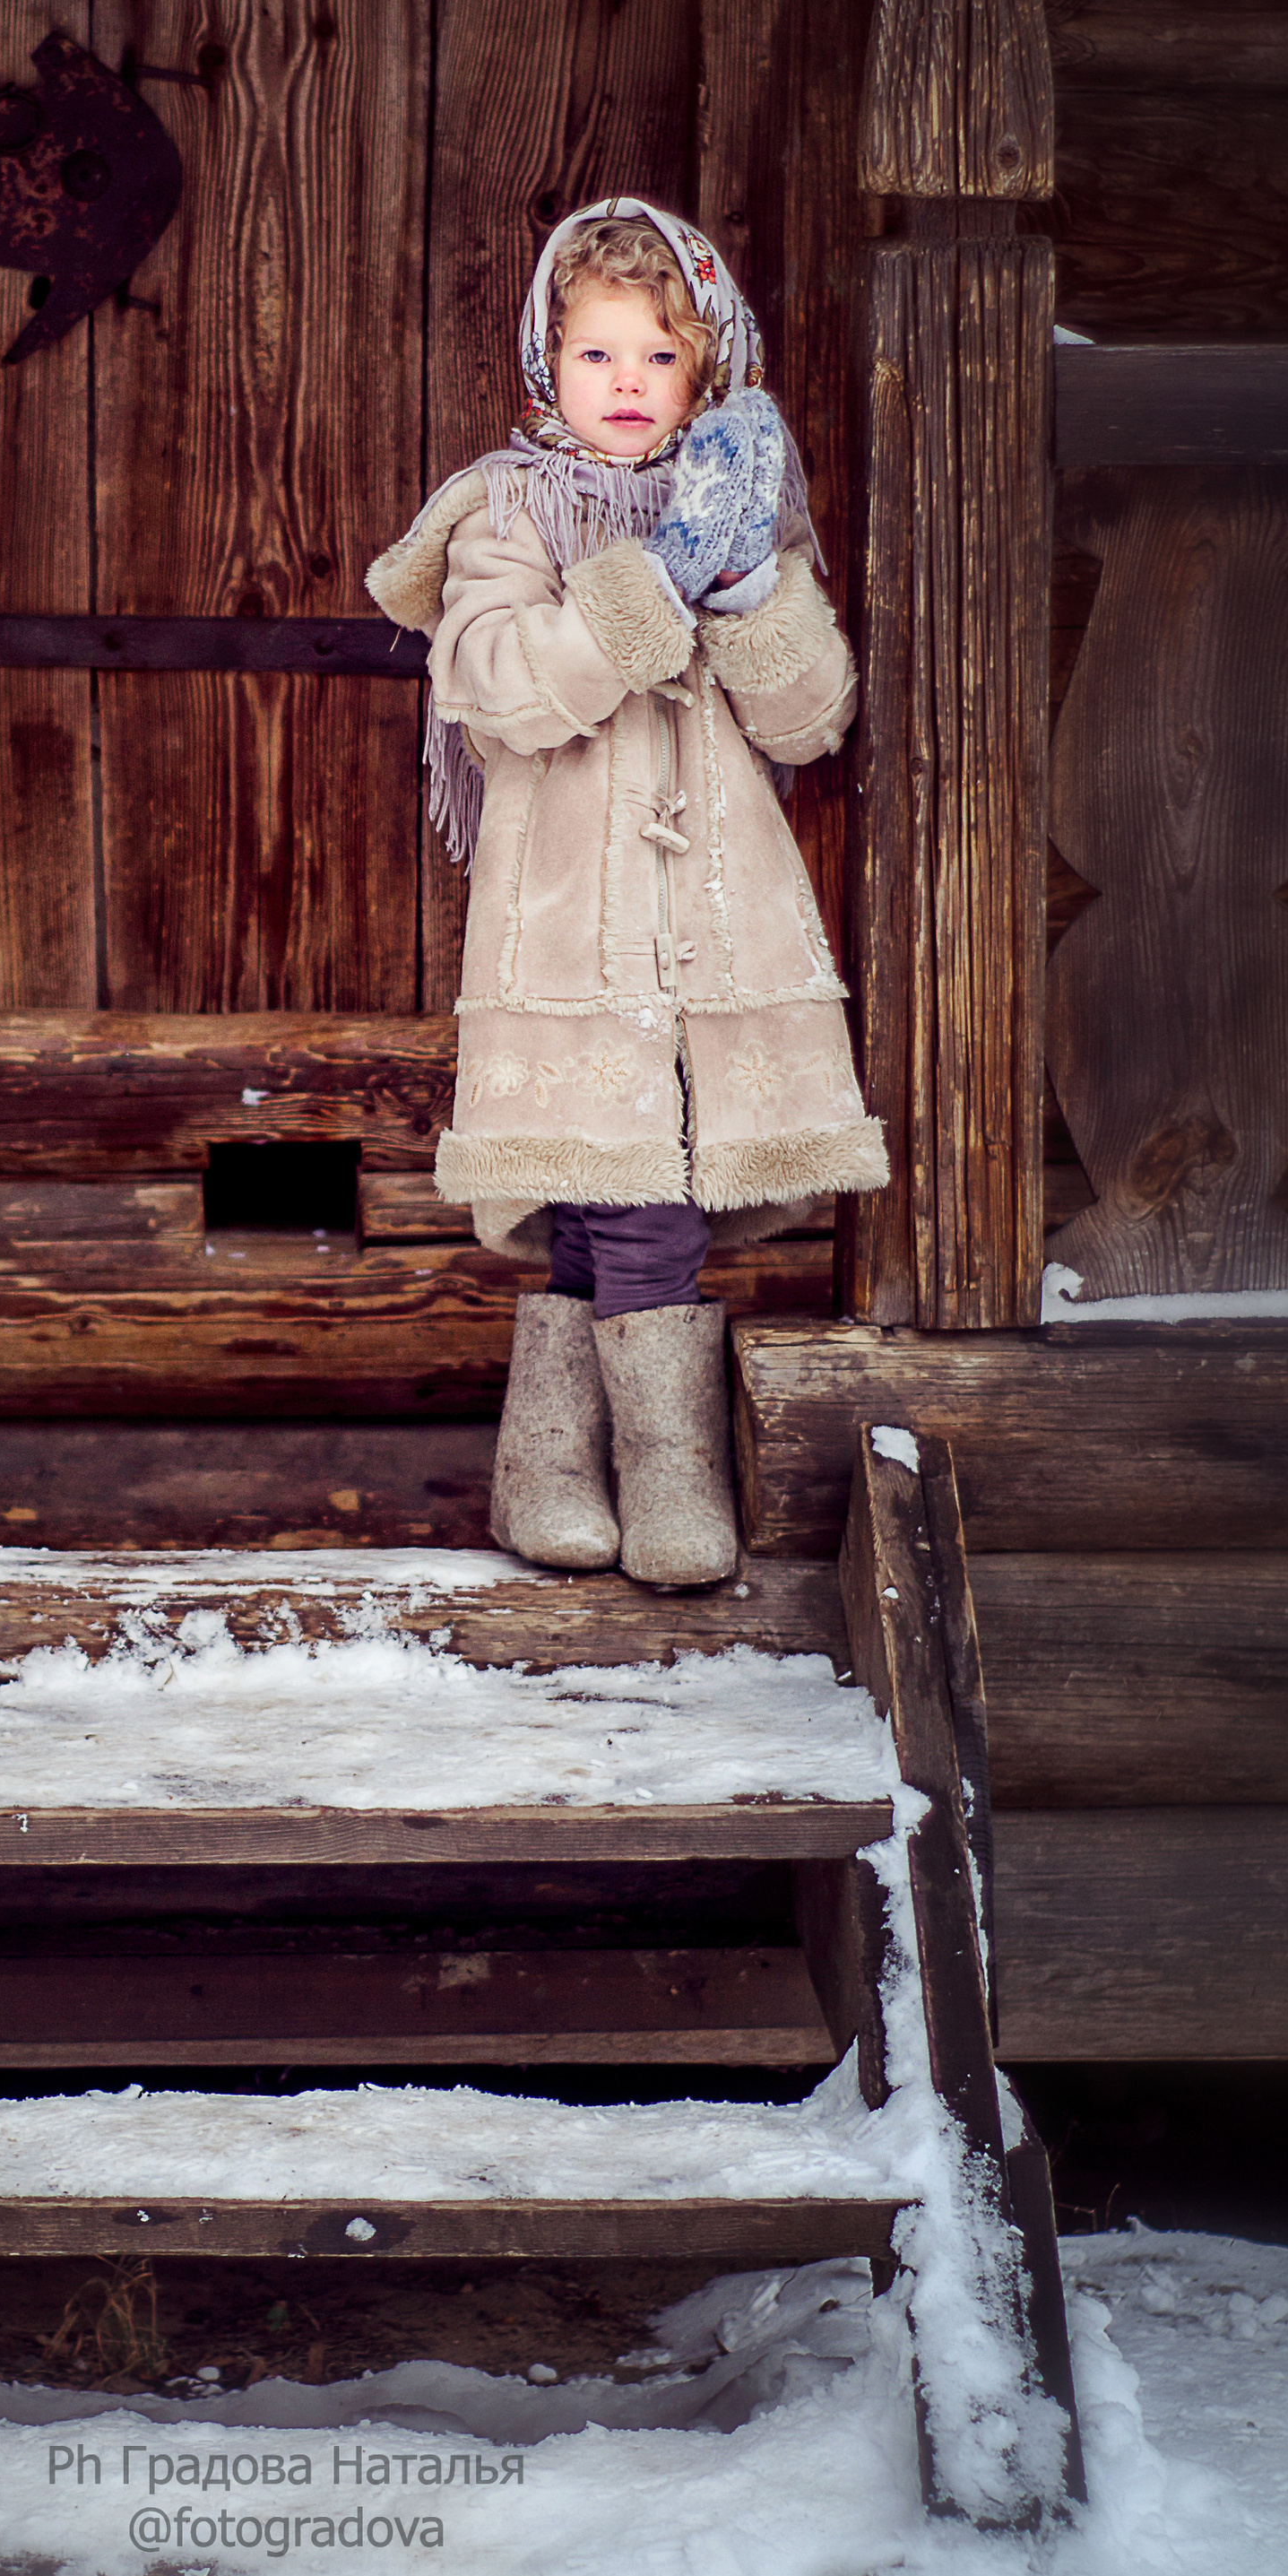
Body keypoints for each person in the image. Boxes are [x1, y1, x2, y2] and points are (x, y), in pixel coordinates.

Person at [365, 200, 887, 1585]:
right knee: (630, 1193)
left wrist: (737, 583)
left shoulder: (739, 519)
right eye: (597, 356)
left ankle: (546, 1470)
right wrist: (640, 588)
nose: (627, 386)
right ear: (548, 362)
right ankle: (666, 1474)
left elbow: (809, 716)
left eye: (659, 358)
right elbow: (495, 685)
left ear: (707, 371)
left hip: (708, 928)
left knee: (623, 1201)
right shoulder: (509, 512)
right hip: (571, 930)